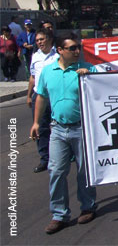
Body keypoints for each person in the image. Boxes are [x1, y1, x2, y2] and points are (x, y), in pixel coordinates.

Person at [30, 34, 97, 234]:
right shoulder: (48, 72)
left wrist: (90, 78)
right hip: (57, 129)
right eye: (72, 48)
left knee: (85, 171)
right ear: (60, 50)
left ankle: (88, 206)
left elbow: (103, 92)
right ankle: (59, 214)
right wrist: (35, 122)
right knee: (56, 171)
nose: (77, 51)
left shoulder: (87, 69)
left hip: (82, 128)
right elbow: (41, 96)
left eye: (78, 48)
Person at [27, 28, 58, 173]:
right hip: (39, 97)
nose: (39, 42)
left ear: (49, 39)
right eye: (37, 40)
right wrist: (28, 95)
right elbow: (33, 77)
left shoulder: (58, 55)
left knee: (60, 126)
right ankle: (44, 159)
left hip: (55, 97)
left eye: (42, 39)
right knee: (40, 128)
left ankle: (65, 155)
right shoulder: (35, 56)